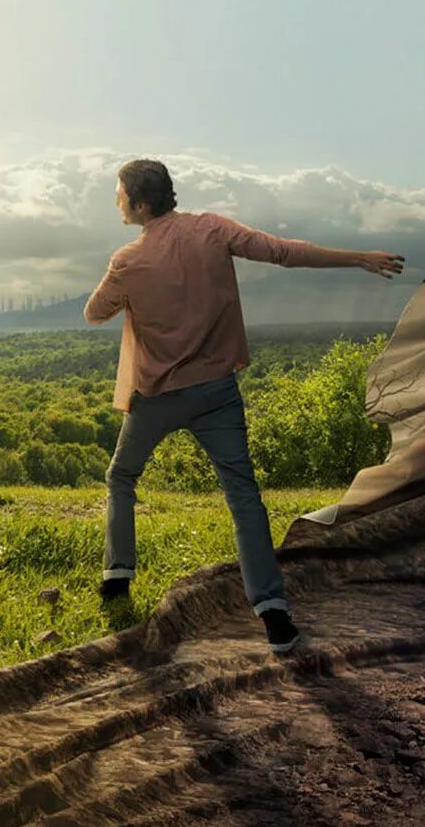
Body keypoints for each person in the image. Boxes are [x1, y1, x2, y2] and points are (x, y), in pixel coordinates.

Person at [84, 158, 406, 654]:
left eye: (119, 193)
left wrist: (135, 290)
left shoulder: (127, 259)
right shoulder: (213, 229)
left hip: (157, 398)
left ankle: (117, 576)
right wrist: (356, 257)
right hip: (217, 392)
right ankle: (273, 614)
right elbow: (282, 252)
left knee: (121, 478)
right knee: (243, 497)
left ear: (140, 203)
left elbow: (93, 313)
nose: (116, 200)